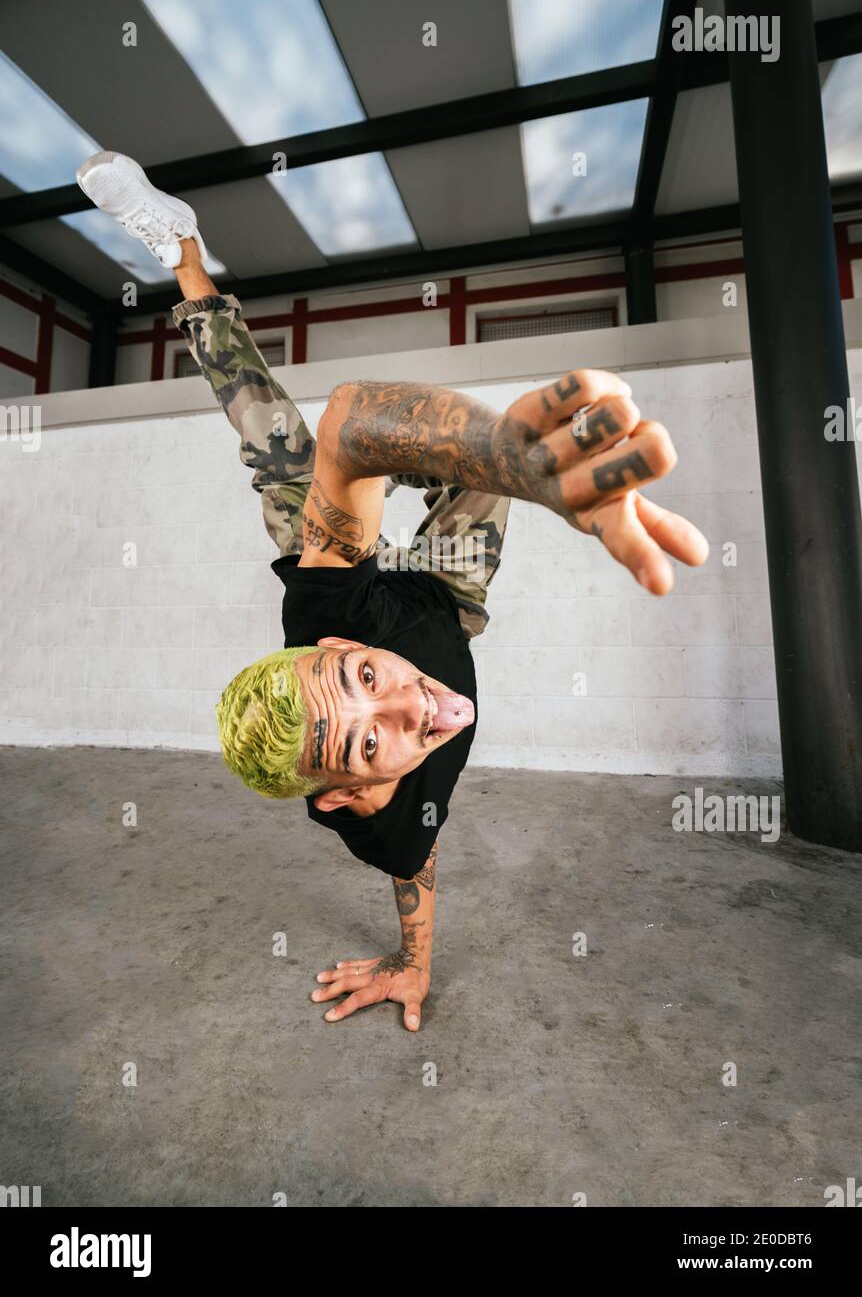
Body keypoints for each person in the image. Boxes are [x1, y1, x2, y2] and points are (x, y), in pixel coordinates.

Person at [77, 151, 708, 1032]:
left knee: (276, 437)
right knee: (473, 488)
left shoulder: (326, 617)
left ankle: (177, 242)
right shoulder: (386, 827)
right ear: (342, 794)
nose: (416, 710)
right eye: (372, 747)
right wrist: (412, 967)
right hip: (443, 598)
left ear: (337, 653)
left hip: (351, 576)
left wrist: (516, 460)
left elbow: (348, 420)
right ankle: (455, 478)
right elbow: (417, 868)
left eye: (368, 684)